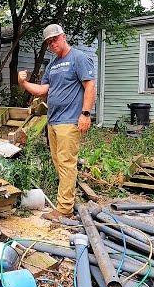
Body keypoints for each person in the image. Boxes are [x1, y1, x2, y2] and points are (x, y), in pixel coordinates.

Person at [18, 23, 96, 222]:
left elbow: (89, 86)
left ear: (63, 36)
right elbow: (42, 90)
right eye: (48, 42)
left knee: (67, 164)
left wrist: (85, 114)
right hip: (53, 121)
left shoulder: (78, 58)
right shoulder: (53, 65)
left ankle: (64, 210)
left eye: (55, 39)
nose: (52, 44)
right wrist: (23, 83)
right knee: (59, 164)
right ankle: (66, 202)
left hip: (69, 121)